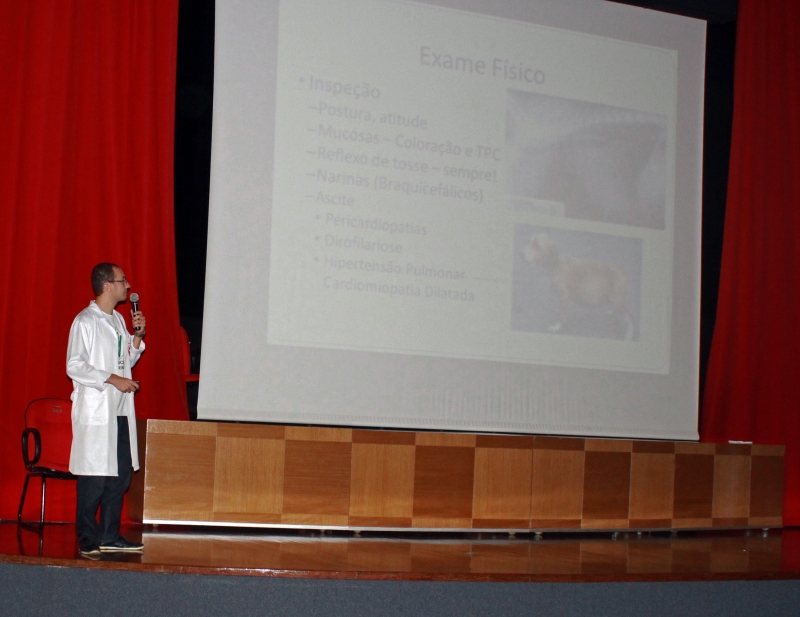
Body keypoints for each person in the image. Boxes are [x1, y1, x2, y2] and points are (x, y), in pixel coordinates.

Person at [66, 262, 147, 557]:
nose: (128, 286)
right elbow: (74, 365)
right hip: (97, 412)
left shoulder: (118, 321)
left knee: (119, 476)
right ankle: (87, 536)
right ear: (107, 285)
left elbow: (125, 360)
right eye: (122, 280)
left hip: (120, 410)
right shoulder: (85, 321)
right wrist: (113, 379)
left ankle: (109, 535)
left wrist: (137, 337)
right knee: (94, 478)